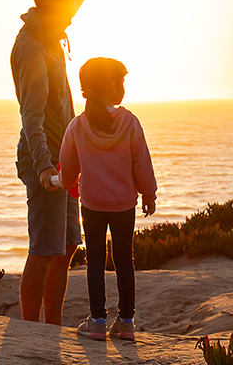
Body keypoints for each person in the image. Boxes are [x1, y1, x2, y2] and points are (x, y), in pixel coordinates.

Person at [11, 0, 107, 325]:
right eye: (66, 10)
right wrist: (44, 167)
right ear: (51, 8)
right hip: (44, 159)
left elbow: (72, 2)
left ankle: (53, 327)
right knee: (44, 249)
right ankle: (30, 332)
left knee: (66, 247)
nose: (71, 17)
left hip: (64, 157)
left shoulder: (50, 29)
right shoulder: (34, 48)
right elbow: (30, 117)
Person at [58, 57, 157, 341]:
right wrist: (148, 193)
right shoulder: (130, 123)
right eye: (122, 82)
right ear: (113, 86)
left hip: (92, 204)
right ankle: (126, 321)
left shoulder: (77, 126)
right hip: (124, 203)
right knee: (125, 259)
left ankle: (97, 321)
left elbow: (67, 167)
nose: (123, 87)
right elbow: (142, 163)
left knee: (95, 261)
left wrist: (65, 182)